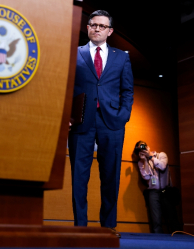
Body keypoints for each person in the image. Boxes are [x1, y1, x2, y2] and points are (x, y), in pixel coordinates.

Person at [68, 10, 134, 237]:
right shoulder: (73, 53)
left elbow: (127, 90)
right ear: (87, 28)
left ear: (110, 31)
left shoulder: (121, 57)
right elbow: (65, 86)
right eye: (93, 24)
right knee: (79, 177)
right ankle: (80, 228)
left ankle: (107, 227)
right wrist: (68, 115)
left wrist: (123, 115)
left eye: (102, 26)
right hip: (81, 122)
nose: (97, 28)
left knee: (110, 175)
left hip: (112, 123)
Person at [134, 141, 181, 234]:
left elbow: (162, 166)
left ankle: (179, 239)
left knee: (172, 217)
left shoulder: (161, 155)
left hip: (166, 191)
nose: (143, 150)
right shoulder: (141, 162)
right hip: (153, 192)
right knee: (156, 221)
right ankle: (158, 242)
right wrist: (145, 161)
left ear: (148, 147)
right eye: (140, 149)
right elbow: (146, 177)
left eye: (144, 147)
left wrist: (150, 157)